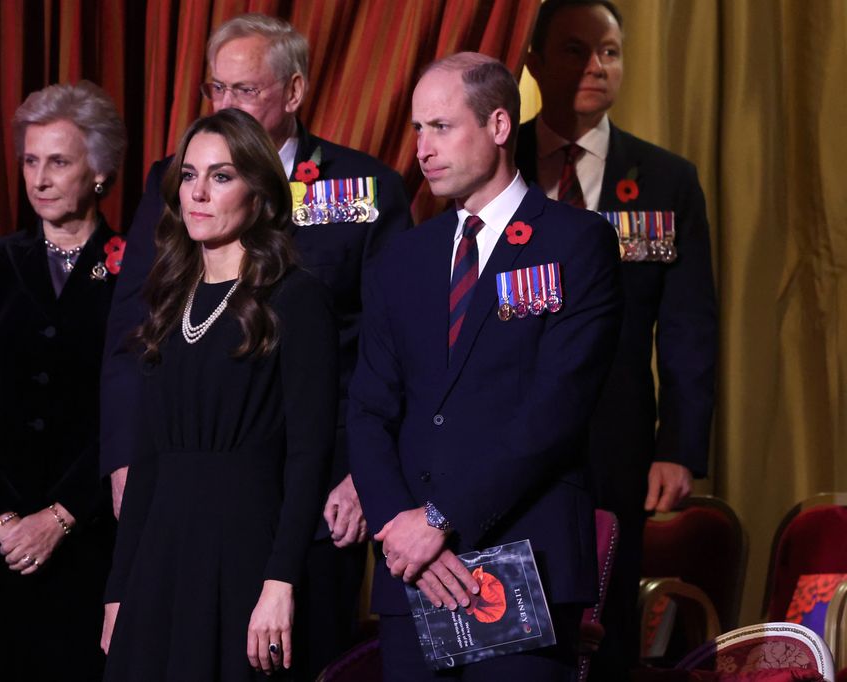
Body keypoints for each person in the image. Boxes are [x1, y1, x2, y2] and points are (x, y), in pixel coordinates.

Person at [100, 13, 411, 676]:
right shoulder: (174, 187)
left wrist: (366, 472)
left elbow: (392, 347)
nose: (227, 105)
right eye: (216, 90)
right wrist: (124, 460)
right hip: (178, 491)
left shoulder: (364, 188)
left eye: (244, 91)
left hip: (316, 489)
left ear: (293, 92)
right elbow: (133, 341)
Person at [348, 52, 623, 680]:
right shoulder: (402, 259)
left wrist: (443, 519)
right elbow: (367, 409)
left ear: (500, 126)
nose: (423, 148)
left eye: (441, 127)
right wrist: (399, 526)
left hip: (523, 560)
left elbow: (555, 411)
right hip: (412, 568)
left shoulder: (575, 243)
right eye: (418, 129)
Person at [100, 107, 338, 681]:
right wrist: (118, 588)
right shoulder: (167, 301)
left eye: (222, 176)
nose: (199, 193)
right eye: (189, 175)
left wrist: (280, 582)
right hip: (162, 553)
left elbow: (310, 456)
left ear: (259, 192)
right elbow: (147, 457)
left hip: (244, 552)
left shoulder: (295, 298)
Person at [518, 1, 718, 676]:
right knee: (507, 624)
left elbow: (690, 325)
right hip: (501, 431)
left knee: (603, 630)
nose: (596, 67)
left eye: (609, 52)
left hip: (615, 443)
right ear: (534, 63)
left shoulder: (666, 179)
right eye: (576, 51)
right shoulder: (493, 159)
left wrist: (679, 449)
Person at [0, 81, 126, 681]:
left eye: (58, 161)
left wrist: (61, 515)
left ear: (98, 170)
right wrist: (3, 518)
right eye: (30, 161)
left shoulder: (135, 271)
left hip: (88, 537)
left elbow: (131, 414)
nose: (39, 178)